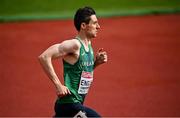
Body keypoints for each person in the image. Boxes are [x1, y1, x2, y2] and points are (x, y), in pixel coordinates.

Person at [38, 6, 108, 117]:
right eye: (95, 23)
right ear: (83, 26)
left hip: (73, 106)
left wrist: (96, 64)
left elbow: (81, 73)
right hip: (69, 105)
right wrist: (58, 85)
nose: (98, 27)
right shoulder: (75, 45)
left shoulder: (88, 46)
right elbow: (44, 57)